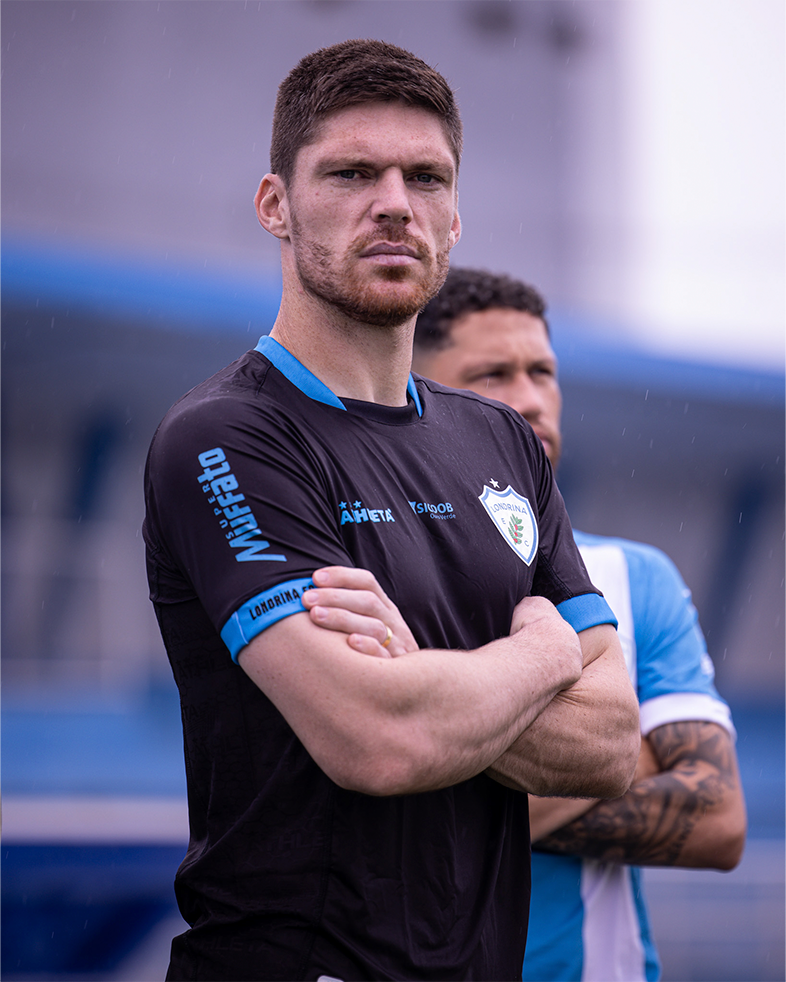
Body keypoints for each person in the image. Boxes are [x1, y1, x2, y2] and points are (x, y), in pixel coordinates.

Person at [143, 40, 640, 982]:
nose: (394, 203)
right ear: (275, 207)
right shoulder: (225, 438)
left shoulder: (501, 442)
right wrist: (539, 657)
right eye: (351, 173)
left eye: (425, 177)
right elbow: (378, 739)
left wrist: (427, 681)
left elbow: (613, 741)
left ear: (455, 219)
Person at [411, 266, 747, 982]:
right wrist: (611, 755)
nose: (530, 401)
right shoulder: (367, 570)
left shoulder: (634, 576)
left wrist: (449, 769)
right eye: (493, 374)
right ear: (414, 392)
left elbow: (718, 821)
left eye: (543, 372)